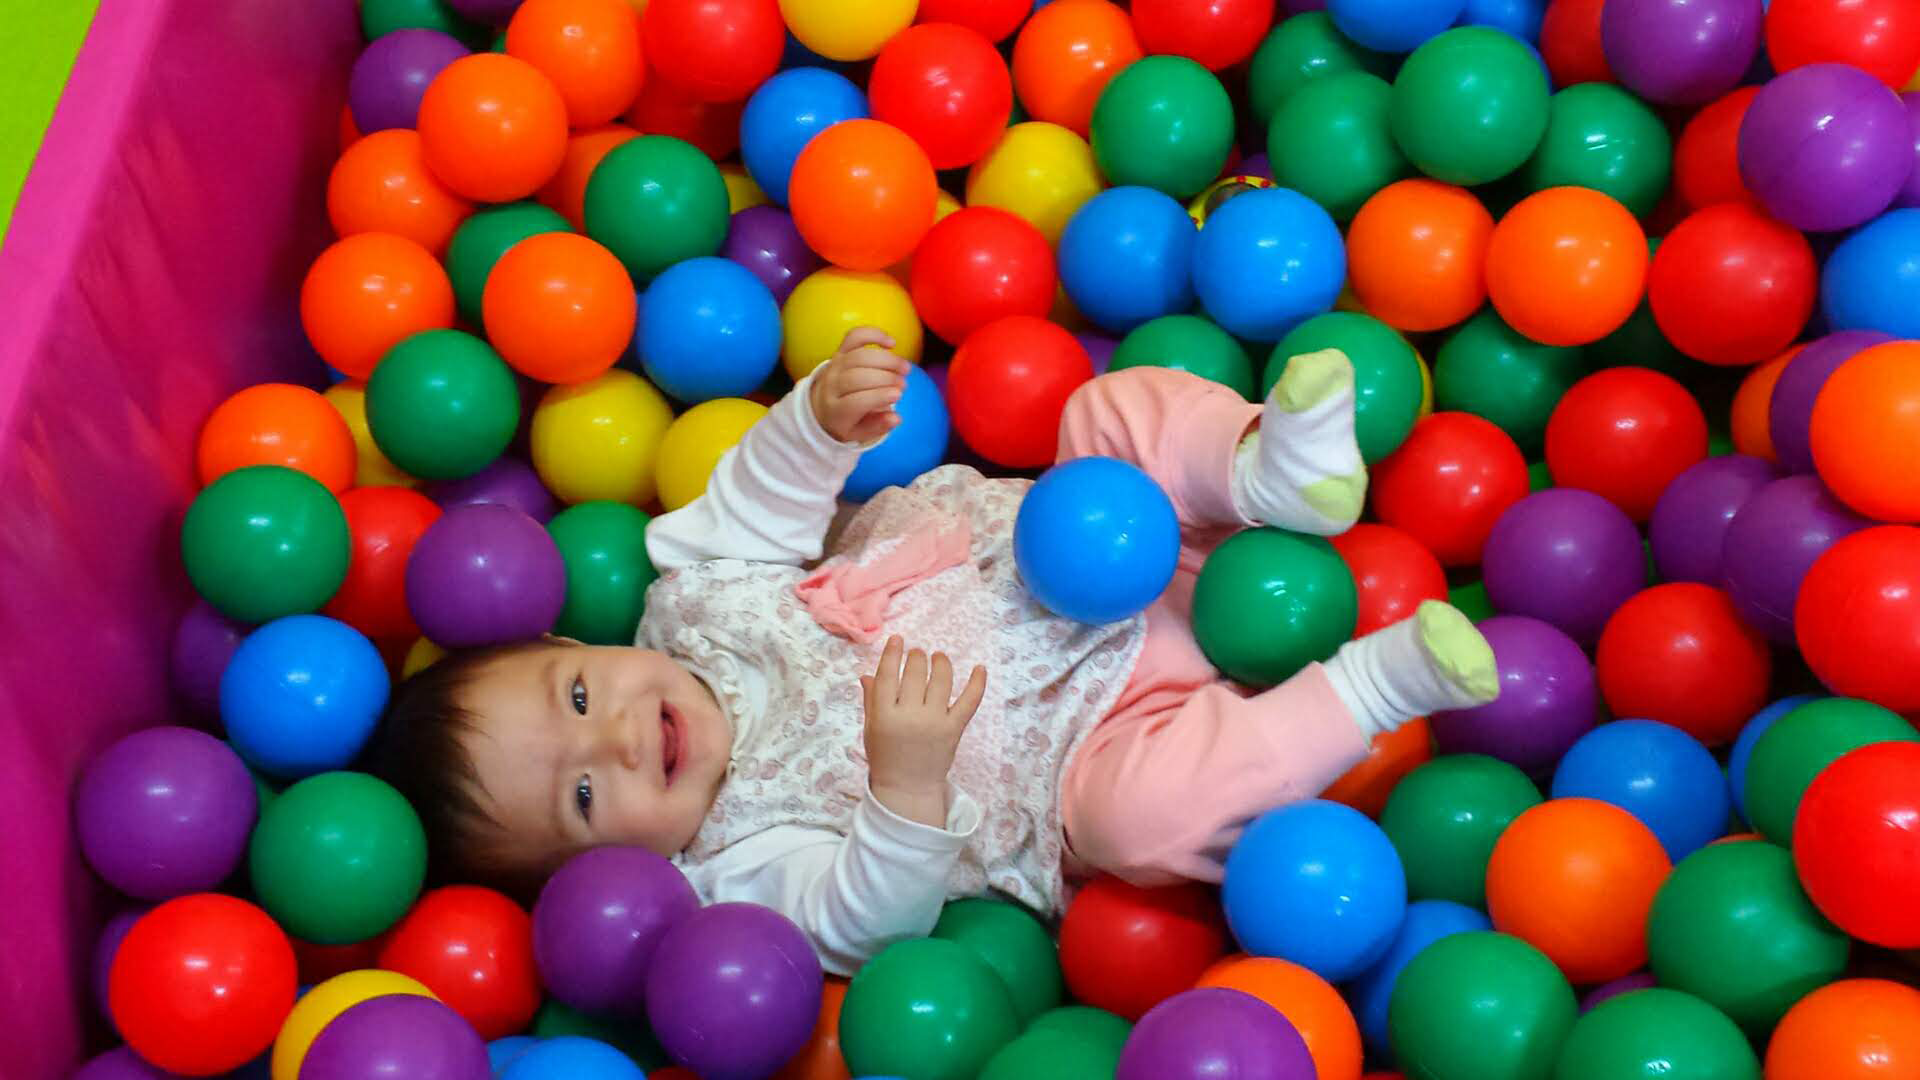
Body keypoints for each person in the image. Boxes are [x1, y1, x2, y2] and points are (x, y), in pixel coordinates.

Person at [364, 327, 1497, 974]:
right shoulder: (731, 872)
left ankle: (1264, 474)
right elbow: (861, 923)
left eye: (576, 696)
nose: (615, 739)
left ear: (577, 641)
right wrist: (905, 789)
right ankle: (1376, 683)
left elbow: (754, 505)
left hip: (1098, 538)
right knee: (1137, 824)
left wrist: (813, 425)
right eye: (581, 794)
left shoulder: (689, 607)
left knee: (1102, 418)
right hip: (1096, 746)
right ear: (600, 872)